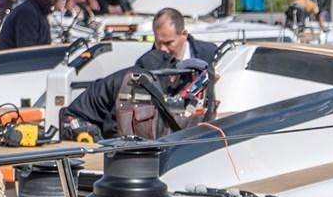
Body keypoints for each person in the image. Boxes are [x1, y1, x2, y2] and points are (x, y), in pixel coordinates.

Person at [61, 8, 218, 140]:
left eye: (169, 43)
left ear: (184, 34)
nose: (163, 49)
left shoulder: (209, 54)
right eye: (158, 43)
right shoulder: (136, 75)